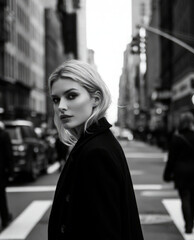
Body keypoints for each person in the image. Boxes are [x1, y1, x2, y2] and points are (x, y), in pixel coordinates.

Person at [47, 60, 144, 240]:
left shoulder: (95, 152)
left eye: (71, 96)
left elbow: (106, 232)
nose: (61, 106)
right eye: (56, 99)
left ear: (96, 99)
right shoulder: (96, 143)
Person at [163, 112, 194, 234]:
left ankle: (187, 224)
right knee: (193, 197)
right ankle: (192, 220)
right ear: (192, 123)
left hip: (181, 172)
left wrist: (167, 174)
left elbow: (171, 158)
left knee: (185, 197)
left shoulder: (176, 138)